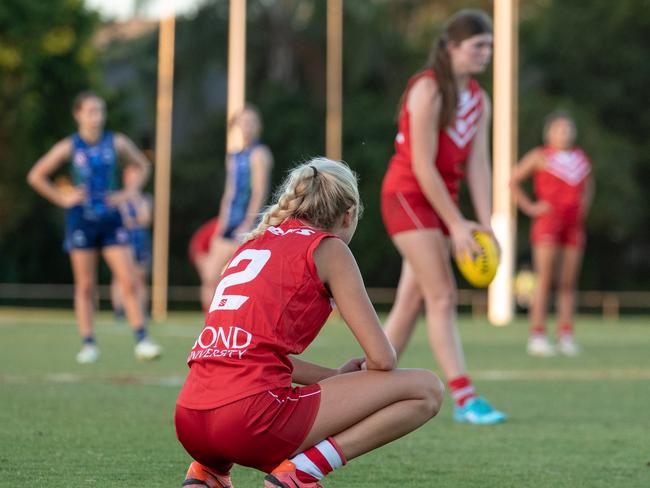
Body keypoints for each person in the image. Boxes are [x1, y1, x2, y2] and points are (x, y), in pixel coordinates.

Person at [175, 158, 444, 488]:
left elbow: (247, 351)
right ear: (348, 214)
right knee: (426, 389)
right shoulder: (329, 249)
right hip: (248, 422)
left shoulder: (252, 243)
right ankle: (302, 473)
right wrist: (354, 381)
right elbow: (382, 359)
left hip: (190, 421)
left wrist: (333, 379)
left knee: (247, 400)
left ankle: (207, 473)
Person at [380, 9, 506, 425]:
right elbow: (422, 166)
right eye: (478, 46)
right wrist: (455, 224)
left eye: (489, 45)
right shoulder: (427, 89)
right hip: (407, 197)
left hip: (437, 204)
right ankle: (465, 398)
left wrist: (485, 224)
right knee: (443, 294)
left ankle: (367, 381)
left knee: (412, 301)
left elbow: (478, 167)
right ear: (452, 47)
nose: (486, 53)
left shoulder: (479, 100)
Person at [27, 91, 162, 364]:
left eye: (99, 111)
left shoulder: (116, 142)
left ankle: (142, 339)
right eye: (90, 111)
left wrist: (127, 193)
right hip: (81, 221)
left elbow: (143, 165)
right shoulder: (70, 146)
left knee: (129, 279)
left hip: (111, 220)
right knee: (85, 285)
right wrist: (62, 198)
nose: (96, 117)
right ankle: (88, 343)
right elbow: (36, 175)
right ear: (78, 114)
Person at [510, 111, 594, 357]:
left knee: (568, 282)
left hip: (573, 226)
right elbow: (513, 180)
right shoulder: (541, 156)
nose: (564, 133)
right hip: (548, 224)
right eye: (559, 129)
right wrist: (530, 207)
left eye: (568, 129)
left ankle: (566, 335)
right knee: (544, 279)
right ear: (549, 133)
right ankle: (537, 335)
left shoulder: (580, 158)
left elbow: (589, 186)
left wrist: (583, 210)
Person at [199, 105, 274, 311]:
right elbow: (230, 193)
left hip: (250, 223)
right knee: (210, 275)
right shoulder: (233, 156)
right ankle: (212, 326)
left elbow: (259, 191)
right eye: (244, 122)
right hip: (231, 221)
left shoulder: (260, 154)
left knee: (252, 281)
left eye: (251, 123)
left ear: (258, 126)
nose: (247, 127)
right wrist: (221, 226)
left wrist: (248, 223)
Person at [111, 163, 153, 320]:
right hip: (123, 240)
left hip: (140, 240)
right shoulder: (119, 197)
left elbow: (145, 219)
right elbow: (123, 220)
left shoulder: (144, 199)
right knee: (120, 276)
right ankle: (120, 311)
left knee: (141, 276)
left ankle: (143, 310)